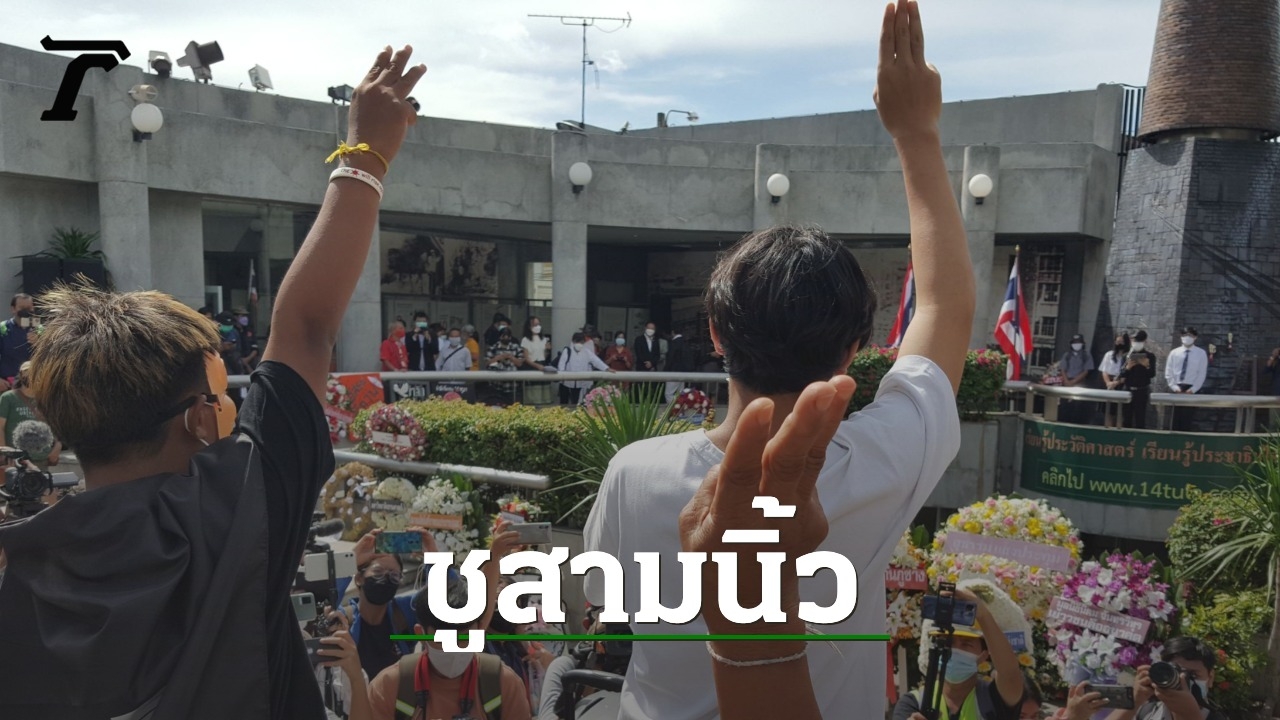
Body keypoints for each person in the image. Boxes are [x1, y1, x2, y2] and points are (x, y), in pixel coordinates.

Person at [0, 44, 426, 718]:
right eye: (223, 398)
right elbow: (306, 326)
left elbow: (304, 328)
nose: (230, 411)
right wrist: (367, 154)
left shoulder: (23, 561)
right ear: (199, 420)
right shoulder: (236, 508)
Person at [582, 3, 974, 716]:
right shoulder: (887, 459)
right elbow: (945, 308)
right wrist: (916, 133)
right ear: (854, 352)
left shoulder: (633, 473)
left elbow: (603, 599)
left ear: (715, 334)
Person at [676, 373, 857, 720]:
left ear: (718, 343)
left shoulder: (629, 467)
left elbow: (599, 590)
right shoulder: (890, 452)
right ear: (851, 353)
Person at [366, 577, 533, 720]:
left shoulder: (504, 683)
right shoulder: (389, 687)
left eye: (464, 637)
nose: (455, 648)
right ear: (420, 634)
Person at [891, 587, 1024, 720]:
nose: (954, 650)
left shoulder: (994, 699)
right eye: (947, 642)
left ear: (984, 654)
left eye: (966, 644)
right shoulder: (913, 703)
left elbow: (1009, 673)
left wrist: (983, 615)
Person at [1103, 636, 1228, 720]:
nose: (1183, 680)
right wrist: (1134, 700)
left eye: (1193, 675)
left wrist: (1188, 715)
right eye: (1177, 672)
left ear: (1210, 678)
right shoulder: (1148, 711)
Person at [0, 363, 62, 468]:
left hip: (42, 459)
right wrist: (4, 453)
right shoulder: (8, 398)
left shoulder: (46, 400)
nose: (31, 375)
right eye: (27, 372)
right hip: (16, 461)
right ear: (21, 375)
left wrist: (57, 448)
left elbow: (58, 427)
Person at [1165, 327, 1208, 431]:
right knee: (1175, 418)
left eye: (1190, 335)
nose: (1187, 337)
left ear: (1195, 337)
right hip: (1177, 387)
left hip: (1191, 388)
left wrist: (1193, 389)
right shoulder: (1174, 352)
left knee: (1187, 419)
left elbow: (1201, 373)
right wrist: (1174, 387)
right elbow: (1168, 371)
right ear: (1181, 337)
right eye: (1185, 335)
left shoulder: (1201, 353)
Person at [556, 332, 612, 405]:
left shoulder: (586, 352)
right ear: (573, 341)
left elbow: (596, 361)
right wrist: (561, 375)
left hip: (579, 382)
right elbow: (561, 365)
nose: (579, 344)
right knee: (564, 402)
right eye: (577, 341)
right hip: (566, 382)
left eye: (581, 342)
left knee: (576, 402)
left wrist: (606, 368)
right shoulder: (567, 350)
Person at [1120, 330, 1157, 429]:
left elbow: (1152, 374)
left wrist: (1147, 366)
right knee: (1126, 418)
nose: (1136, 343)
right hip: (1128, 389)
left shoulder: (1150, 356)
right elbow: (1121, 374)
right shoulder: (1126, 356)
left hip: (1141, 390)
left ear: (1144, 341)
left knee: (1140, 418)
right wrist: (1128, 368)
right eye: (1134, 340)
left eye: (1139, 341)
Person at [0, 293, 37, 390]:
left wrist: (39, 344)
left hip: (32, 386)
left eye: (29, 307)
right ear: (13, 309)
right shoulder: (3, 329)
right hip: (7, 385)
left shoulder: (39, 330)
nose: (26, 311)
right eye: (22, 307)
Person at [1059, 333, 1095, 424]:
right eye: (1074, 342)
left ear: (1082, 343)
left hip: (1079, 383)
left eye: (1078, 342)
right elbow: (1063, 369)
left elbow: (1086, 371)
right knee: (1064, 405)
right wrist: (1067, 381)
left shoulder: (1086, 355)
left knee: (1077, 406)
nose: (1076, 344)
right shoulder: (1067, 355)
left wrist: (1074, 381)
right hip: (1067, 383)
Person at [487, 327, 525, 404]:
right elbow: (488, 363)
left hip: (513, 386)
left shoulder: (516, 347)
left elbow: (520, 363)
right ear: (499, 336)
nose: (506, 337)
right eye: (503, 335)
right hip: (497, 385)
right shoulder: (493, 348)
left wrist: (511, 357)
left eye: (508, 336)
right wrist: (499, 357)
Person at [1099, 333, 1131, 428]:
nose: (1119, 344)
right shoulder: (1109, 354)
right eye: (1118, 342)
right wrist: (1108, 383)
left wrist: (1116, 383)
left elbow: (1127, 374)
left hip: (1122, 384)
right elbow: (1104, 371)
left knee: (1120, 413)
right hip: (1109, 385)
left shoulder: (1129, 356)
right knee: (1108, 411)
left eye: (1122, 342)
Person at [663, 325, 696, 403]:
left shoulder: (674, 343)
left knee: (668, 393)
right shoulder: (685, 343)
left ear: (672, 332)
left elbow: (670, 359)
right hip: (683, 372)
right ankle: (680, 407)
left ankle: (673, 408)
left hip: (673, 372)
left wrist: (665, 370)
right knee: (681, 393)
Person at [233, 307, 261, 373]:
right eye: (242, 315)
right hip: (237, 359)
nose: (245, 318)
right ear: (236, 317)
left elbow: (255, 349)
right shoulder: (233, 331)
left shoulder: (249, 330)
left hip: (250, 358)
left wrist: (247, 359)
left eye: (245, 315)